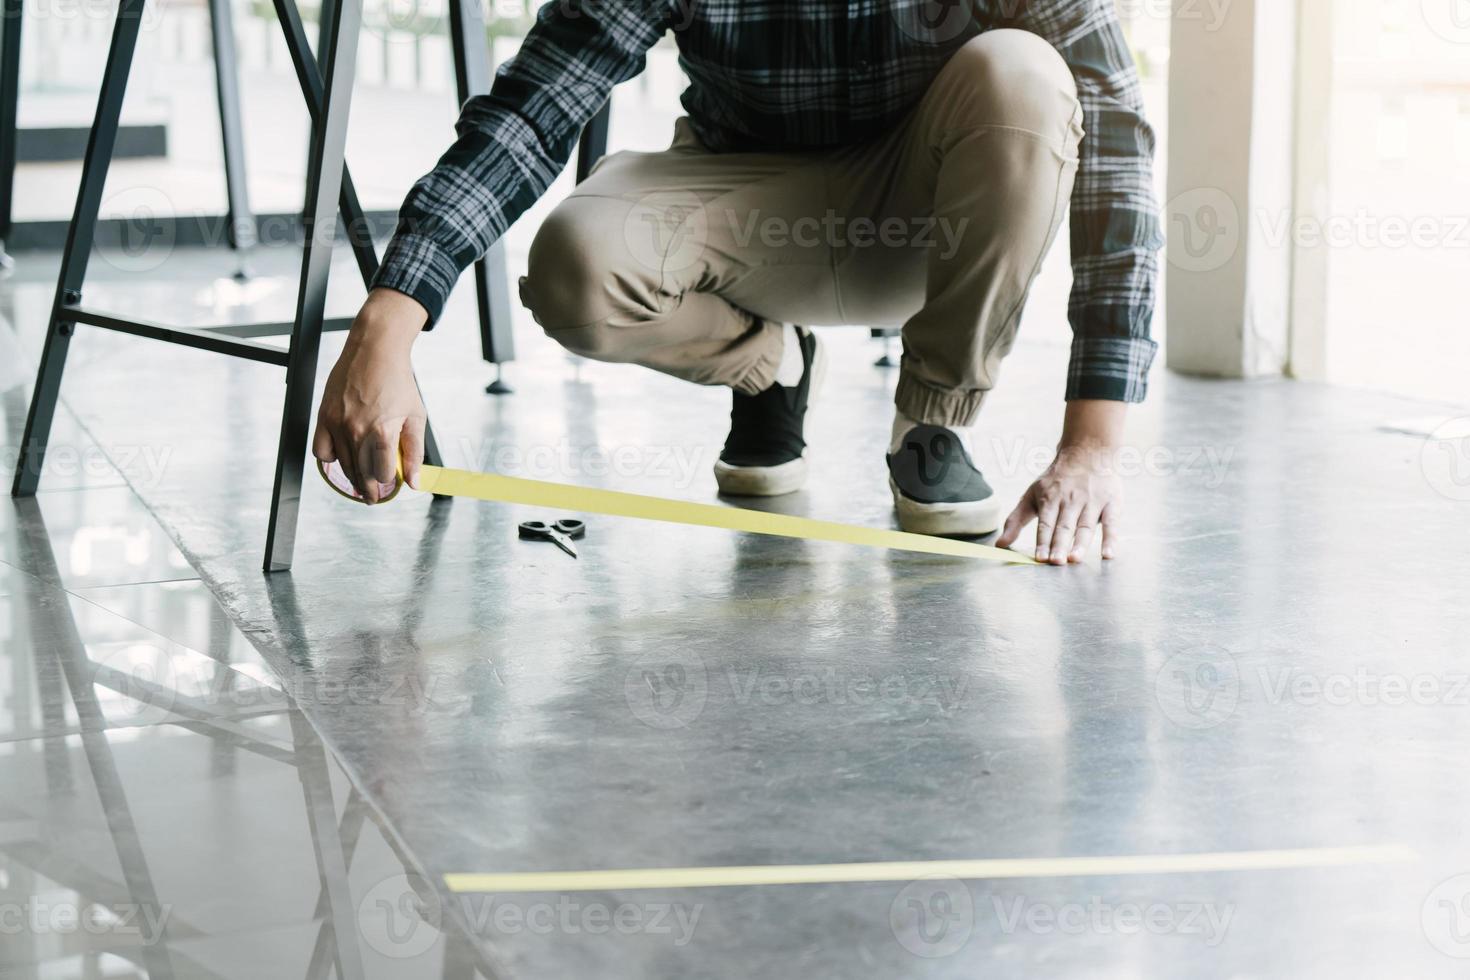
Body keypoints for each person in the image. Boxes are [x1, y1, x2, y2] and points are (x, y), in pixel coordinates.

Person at [312, 0, 1162, 566]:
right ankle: (771, 366)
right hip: (745, 210)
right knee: (576, 264)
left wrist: (1092, 446)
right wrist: (386, 326)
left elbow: (1116, 144)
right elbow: (533, 112)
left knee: (1026, 75)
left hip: (925, 214)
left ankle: (932, 423)